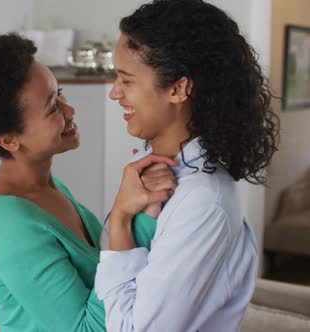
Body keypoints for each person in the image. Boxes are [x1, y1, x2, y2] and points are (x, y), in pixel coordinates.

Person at [0, 34, 177, 331]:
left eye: (60, 92)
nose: (70, 110)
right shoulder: (11, 225)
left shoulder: (50, 188)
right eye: (52, 107)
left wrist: (139, 212)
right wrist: (129, 217)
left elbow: (108, 271)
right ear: (10, 139)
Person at [95, 1, 280, 331]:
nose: (114, 93)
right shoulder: (159, 174)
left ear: (178, 88)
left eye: (127, 80)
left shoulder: (203, 203)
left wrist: (121, 220)